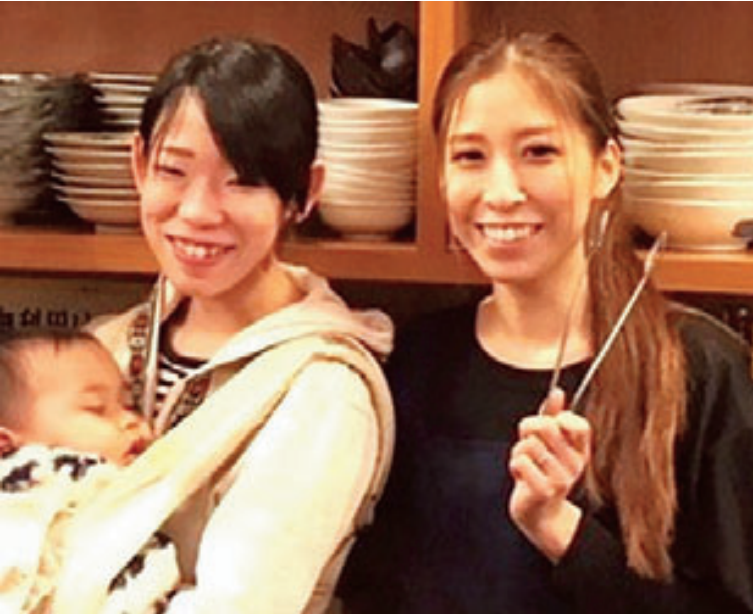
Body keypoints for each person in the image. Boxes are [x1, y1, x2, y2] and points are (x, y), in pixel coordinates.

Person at [340, 31, 753, 614]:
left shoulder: (699, 370)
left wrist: (562, 531)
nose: (502, 192)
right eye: (470, 157)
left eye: (538, 152)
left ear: (606, 166)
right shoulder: (415, 361)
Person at [53, 37, 394, 614]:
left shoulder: (324, 391)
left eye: (243, 181)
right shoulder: (103, 348)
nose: (197, 211)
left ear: (305, 194)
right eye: (173, 170)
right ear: (138, 165)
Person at [0, 328, 180, 613]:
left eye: (129, 405)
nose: (130, 420)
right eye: (96, 409)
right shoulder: (30, 494)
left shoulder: (130, 487)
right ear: (5, 443)